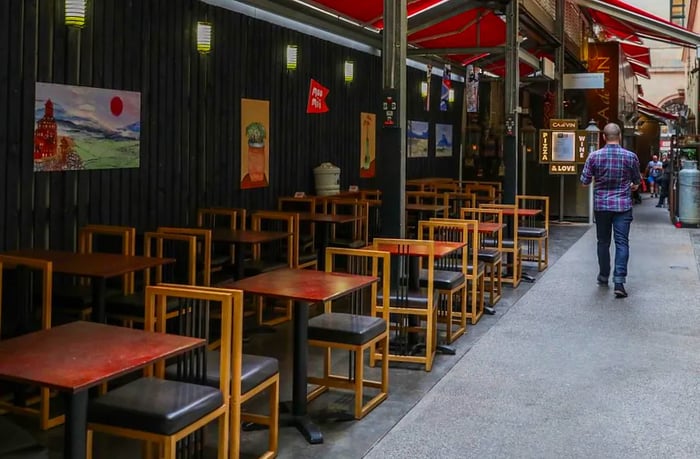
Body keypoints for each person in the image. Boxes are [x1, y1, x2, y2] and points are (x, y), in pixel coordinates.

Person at [580, 123, 641, 298]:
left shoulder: (594, 156)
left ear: (604, 137)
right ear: (619, 136)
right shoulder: (630, 157)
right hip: (623, 206)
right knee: (622, 242)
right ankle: (619, 282)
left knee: (603, 242)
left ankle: (604, 275)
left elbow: (584, 182)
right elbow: (636, 182)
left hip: (602, 206)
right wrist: (631, 185)